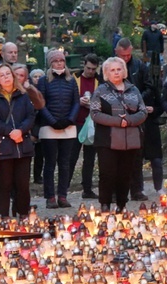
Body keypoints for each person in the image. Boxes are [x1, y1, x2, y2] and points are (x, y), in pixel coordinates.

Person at [90, 57, 147, 214]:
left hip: (130, 140)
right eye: (112, 70)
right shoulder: (100, 90)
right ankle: (105, 204)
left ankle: (122, 204)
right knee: (107, 173)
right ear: (106, 73)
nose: (116, 72)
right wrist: (117, 122)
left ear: (124, 71)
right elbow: (95, 113)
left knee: (125, 174)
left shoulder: (134, 90)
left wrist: (128, 121)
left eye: (119, 69)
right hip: (107, 140)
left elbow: (143, 112)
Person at [0, 64, 35, 218]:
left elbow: (31, 116)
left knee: (23, 185)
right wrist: (10, 131)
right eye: (2, 75)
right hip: (4, 146)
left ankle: (23, 214)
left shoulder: (23, 95)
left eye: (8, 74)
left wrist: (21, 130)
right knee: (4, 184)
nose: (6, 77)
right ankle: (5, 217)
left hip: (23, 145)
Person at [37, 50, 79, 209]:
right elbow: (41, 103)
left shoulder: (71, 80)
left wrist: (70, 119)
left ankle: (63, 195)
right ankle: (50, 197)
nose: (59, 63)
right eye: (56, 61)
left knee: (65, 164)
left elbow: (76, 102)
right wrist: (53, 121)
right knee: (50, 164)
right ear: (50, 64)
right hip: (49, 127)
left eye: (61, 61)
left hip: (68, 126)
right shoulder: (43, 80)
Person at [115, 38, 154, 201]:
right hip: (116, 114)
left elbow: (149, 87)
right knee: (115, 155)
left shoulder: (139, 66)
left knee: (136, 154)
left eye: (128, 55)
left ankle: (136, 189)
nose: (125, 58)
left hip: (136, 114)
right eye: (122, 55)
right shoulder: (111, 67)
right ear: (117, 52)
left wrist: (137, 101)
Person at [70, 54, 102, 199]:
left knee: (89, 159)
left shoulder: (99, 81)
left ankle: (87, 188)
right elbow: (68, 96)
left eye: (93, 69)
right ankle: (64, 189)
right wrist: (79, 101)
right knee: (71, 157)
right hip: (76, 122)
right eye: (88, 68)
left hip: (92, 123)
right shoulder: (74, 78)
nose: (90, 71)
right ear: (84, 65)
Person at [29, 69, 46, 184]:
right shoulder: (27, 92)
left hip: (41, 125)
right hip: (29, 127)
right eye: (35, 76)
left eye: (40, 76)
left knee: (40, 156)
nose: (37, 78)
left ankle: (37, 176)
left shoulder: (44, 91)